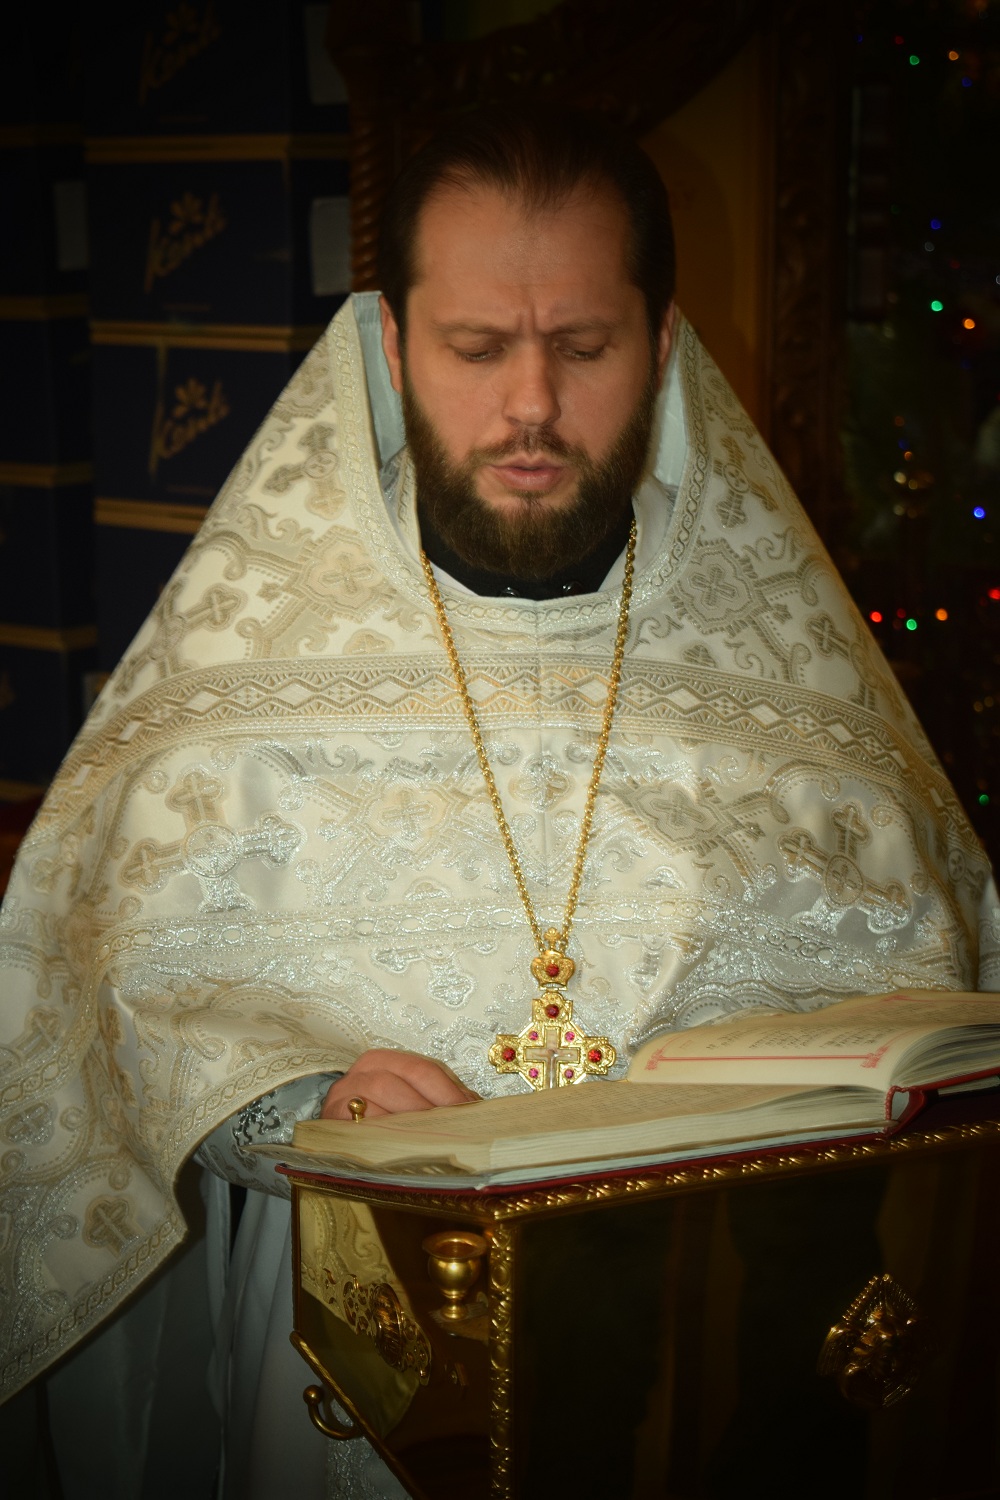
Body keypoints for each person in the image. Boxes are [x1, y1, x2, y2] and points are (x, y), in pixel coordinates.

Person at [1, 106, 997, 1498]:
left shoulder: (791, 681)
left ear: (661, 346)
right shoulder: (241, 669)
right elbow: (105, 1013)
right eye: (476, 349)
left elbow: (935, 992)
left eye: (583, 347)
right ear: (392, 349)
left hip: (720, 1369)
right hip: (353, 1367)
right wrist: (294, 1108)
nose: (530, 405)